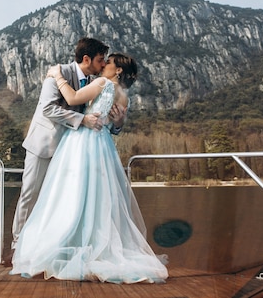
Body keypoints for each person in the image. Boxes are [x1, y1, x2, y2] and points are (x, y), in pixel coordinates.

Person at [10, 53, 168, 284]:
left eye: (109, 62)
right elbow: (116, 125)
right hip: (103, 146)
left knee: (69, 194)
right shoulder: (126, 96)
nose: (104, 65)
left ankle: (64, 244)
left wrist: (56, 76)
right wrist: (119, 123)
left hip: (81, 142)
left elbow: (73, 99)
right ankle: (93, 245)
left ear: (118, 70)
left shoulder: (103, 83)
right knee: (98, 198)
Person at [9, 38, 126, 260]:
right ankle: (18, 247)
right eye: (101, 60)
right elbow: (48, 109)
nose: (103, 65)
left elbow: (103, 123)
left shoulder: (97, 82)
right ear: (86, 59)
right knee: (30, 195)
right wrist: (82, 119)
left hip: (72, 153)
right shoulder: (57, 74)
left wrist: (118, 123)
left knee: (61, 201)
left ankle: (52, 247)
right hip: (44, 145)